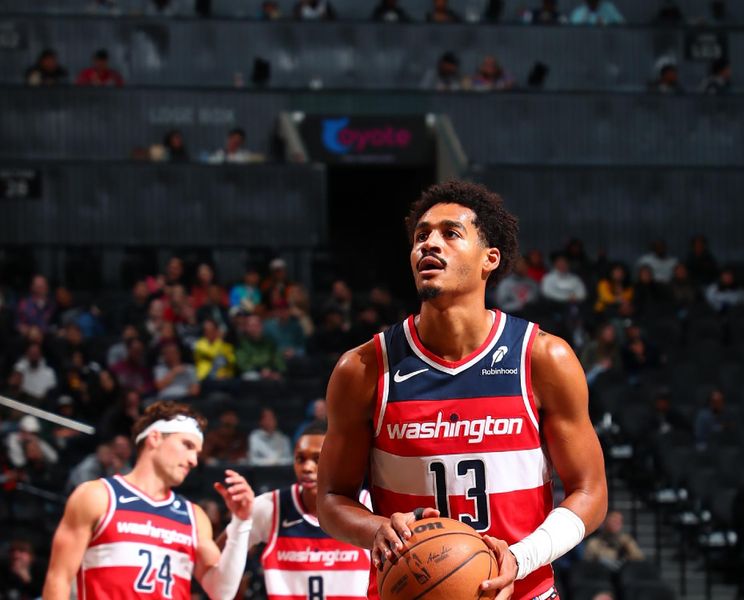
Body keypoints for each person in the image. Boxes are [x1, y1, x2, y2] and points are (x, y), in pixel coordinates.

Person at [317, 181, 607, 600]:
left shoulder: (542, 358)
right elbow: (331, 497)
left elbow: (591, 492)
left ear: (490, 259)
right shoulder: (363, 368)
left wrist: (521, 557)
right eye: (421, 235)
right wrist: (376, 527)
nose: (429, 244)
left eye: (450, 233)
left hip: (522, 590)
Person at [43, 401, 255, 600]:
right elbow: (58, 579)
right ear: (155, 438)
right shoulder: (97, 496)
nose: (193, 460)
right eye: (187, 445)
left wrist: (241, 522)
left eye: (197, 453)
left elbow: (222, 592)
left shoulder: (193, 517)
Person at [224, 420, 370, 598]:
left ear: (338, 460)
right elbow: (217, 560)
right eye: (300, 459)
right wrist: (240, 521)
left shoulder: (368, 505)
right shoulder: (270, 506)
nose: (307, 468)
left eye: (318, 459)